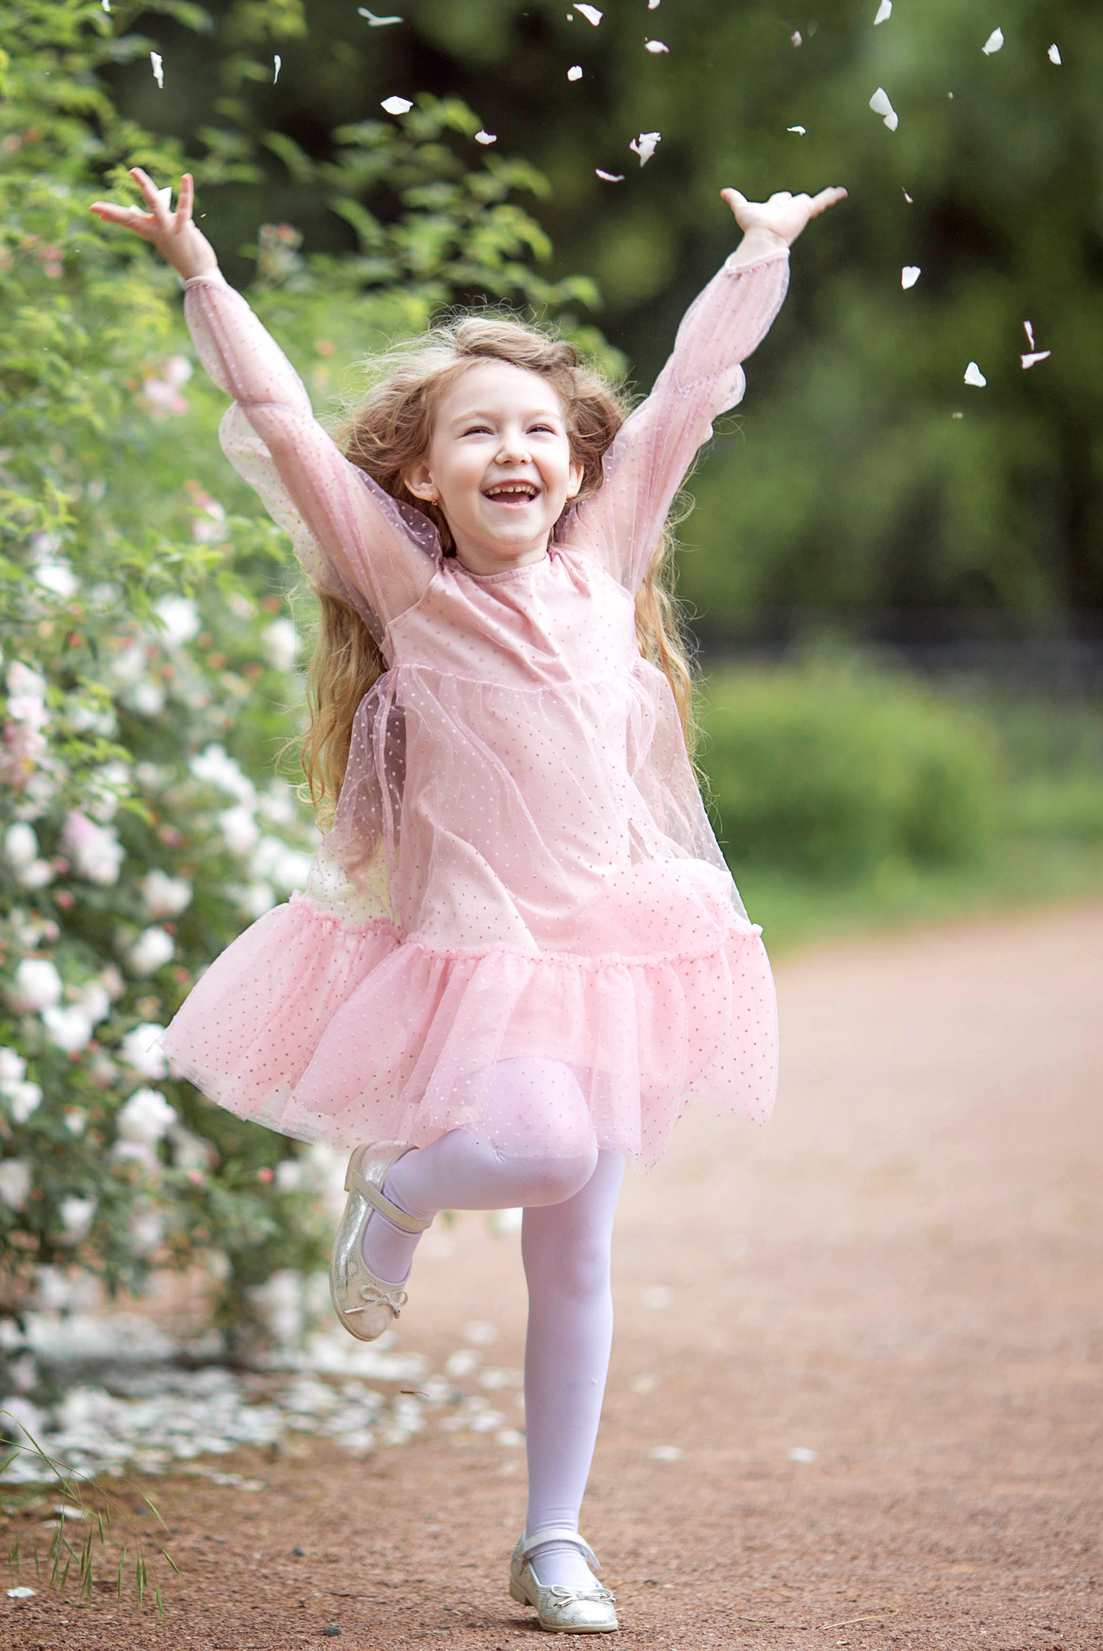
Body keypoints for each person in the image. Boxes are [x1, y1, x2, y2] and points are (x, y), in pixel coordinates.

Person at [93, 166, 842, 1634]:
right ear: (425, 478)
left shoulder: (606, 561)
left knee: (580, 1258)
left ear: (575, 468)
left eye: (541, 432)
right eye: (478, 432)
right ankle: (396, 1192)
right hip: (475, 960)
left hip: (611, 954)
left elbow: (690, 398)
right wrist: (201, 276)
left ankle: (553, 1541)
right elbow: (283, 422)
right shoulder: (409, 588)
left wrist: (757, 255)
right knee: (541, 1149)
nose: (516, 450)